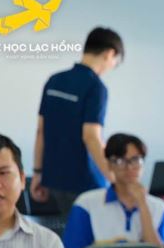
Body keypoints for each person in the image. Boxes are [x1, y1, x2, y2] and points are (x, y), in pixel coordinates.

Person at [31, 27, 123, 215]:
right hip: (85, 182)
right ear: (110, 53)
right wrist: (116, 179)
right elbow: (91, 137)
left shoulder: (54, 81)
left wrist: (38, 173)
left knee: (66, 231)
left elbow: (41, 131)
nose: (112, 66)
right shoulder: (96, 87)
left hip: (54, 179)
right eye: (116, 62)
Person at [61, 133, 164, 248]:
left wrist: (143, 204)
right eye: (120, 161)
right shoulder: (86, 203)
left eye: (135, 160)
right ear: (109, 164)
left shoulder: (159, 207)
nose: (129, 167)